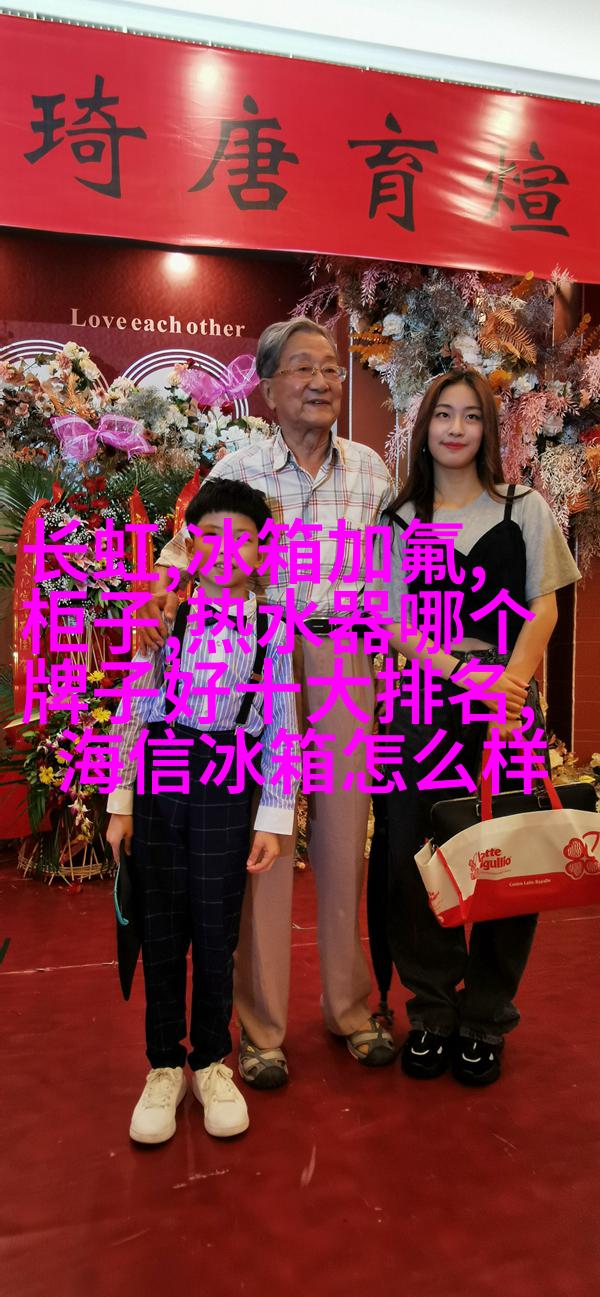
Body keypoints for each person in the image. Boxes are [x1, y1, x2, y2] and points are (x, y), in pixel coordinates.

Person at [138, 316, 396, 1088]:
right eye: (304, 368)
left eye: (332, 368)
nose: (322, 381)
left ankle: (350, 1006)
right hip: (255, 659)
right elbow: (185, 550)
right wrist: (162, 590)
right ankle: (259, 1028)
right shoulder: (240, 465)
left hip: (346, 658)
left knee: (345, 838)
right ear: (270, 385)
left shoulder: (371, 470)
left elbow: (395, 576)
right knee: (263, 840)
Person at [381, 369, 581, 1086]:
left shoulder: (524, 507)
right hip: (419, 701)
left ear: (489, 431)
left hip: (508, 705)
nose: (456, 428)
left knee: (509, 853)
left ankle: (486, 1016)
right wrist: (462, 673)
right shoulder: (398, 518)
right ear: (424, 428)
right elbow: (389, 619)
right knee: (416, 857)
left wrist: (510, 686)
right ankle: (431, 1011)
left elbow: (545, 605)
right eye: (444, 415)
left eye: (471, 416)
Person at [106, 478, 299, 1144]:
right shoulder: (164, 620)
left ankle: (212, 1061)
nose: (225, 548)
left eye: (242, 537)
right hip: (162, 774)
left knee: (217, 928)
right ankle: (164, 1065)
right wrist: (121, 801)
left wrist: (274, 816)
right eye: (210, 535)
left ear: (262, 550)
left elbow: (283, 724)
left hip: (229, 776)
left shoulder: (272, 629)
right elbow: (135, 708)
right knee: (162, 925)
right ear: (190, 547)